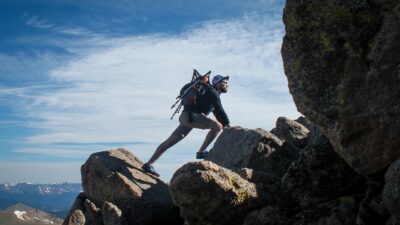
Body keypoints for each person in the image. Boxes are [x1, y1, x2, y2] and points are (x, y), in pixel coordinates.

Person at [142, 75, 231, 177]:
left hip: (186, 117)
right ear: (218, 84)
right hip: (190, 117)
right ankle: (201, 152)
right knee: (217, 126)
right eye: (224, 83)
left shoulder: (210, 92)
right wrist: (228, 126)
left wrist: (225, 123)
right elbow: (220, 110)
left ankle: (148, 164)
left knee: (170, 141)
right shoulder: (212, 92)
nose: (227, 85)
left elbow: (217, 112)